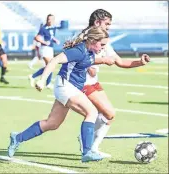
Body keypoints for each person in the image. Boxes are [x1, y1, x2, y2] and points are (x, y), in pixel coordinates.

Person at [8, 26, 114, 162]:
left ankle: (17, 138)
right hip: (66, 86)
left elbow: (88, 62)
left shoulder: (89, 53)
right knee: (92, 112)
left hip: (70, 88)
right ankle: (87, 152)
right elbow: (54, 60)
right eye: (102, 44)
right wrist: (42, 80)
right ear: (93, 40)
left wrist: (104, 61)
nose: (104, 48)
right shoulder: (78, 50)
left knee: (52, 123)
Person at [63, 9, 150, 158]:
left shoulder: (103, 39)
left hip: (93, 83)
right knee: (107, 113)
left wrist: (139, 62)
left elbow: (119, 61)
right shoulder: (83, 38)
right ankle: (87, 139)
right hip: (80, 84)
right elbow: (69, 56)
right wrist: (86, 64)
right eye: (107, 23)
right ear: (97, 22)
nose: (109, 27)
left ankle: (92, 145)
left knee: (109, 116)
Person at [28, 14, 60, 89]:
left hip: (50, 48)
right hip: (45, 48)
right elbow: (36, 37)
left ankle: (45, 82)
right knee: (50, 65)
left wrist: (55, 40)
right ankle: (35, 77)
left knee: (50, 66)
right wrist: (44, 42)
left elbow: (51, 37)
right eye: (48, 19)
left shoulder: (54, 27)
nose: (50, 21)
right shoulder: (43, 28)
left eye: (51, 19)